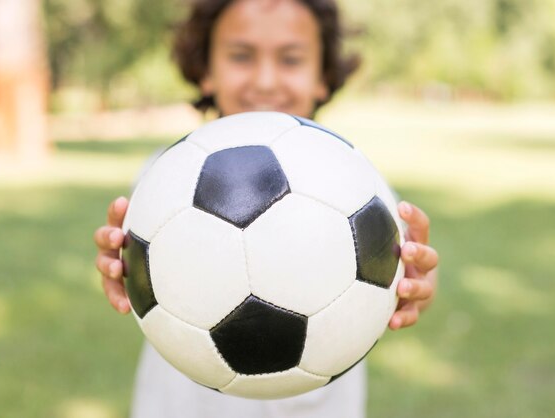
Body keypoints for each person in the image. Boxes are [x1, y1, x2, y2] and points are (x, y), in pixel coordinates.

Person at [94, 0, 439, 417]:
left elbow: (399, 273)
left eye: (291, 59)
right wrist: (121, 269)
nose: (265, 79)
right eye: (241, 56)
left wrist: (412, 286)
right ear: (206, 69)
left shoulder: (358, 183)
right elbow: (136, 262)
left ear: (323, 77)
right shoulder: (163, 179)